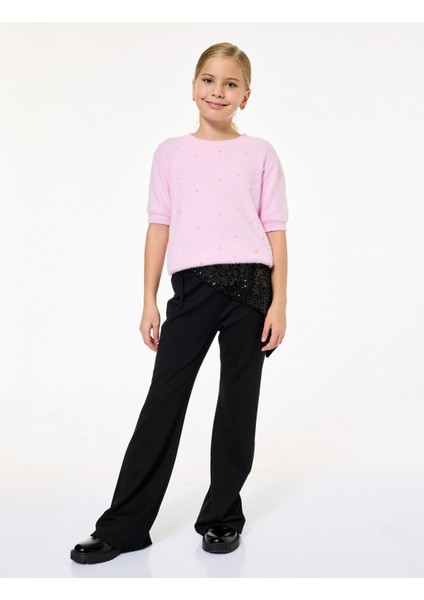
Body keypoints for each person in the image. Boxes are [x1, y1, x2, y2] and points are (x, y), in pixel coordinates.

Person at [70, 41, 289, 565]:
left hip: (250, 289)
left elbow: (275, 230)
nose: (218, 91)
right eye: (209, 80)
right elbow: (159, 226)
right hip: (191, 289)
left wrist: (279, 303)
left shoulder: (260, 153)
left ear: (246, 95)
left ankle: (222, 517)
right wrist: (148, 300)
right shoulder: (170, 152)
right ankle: (124, 526)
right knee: (163, 402)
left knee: (237, 405)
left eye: (231, 84)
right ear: (193, 86)